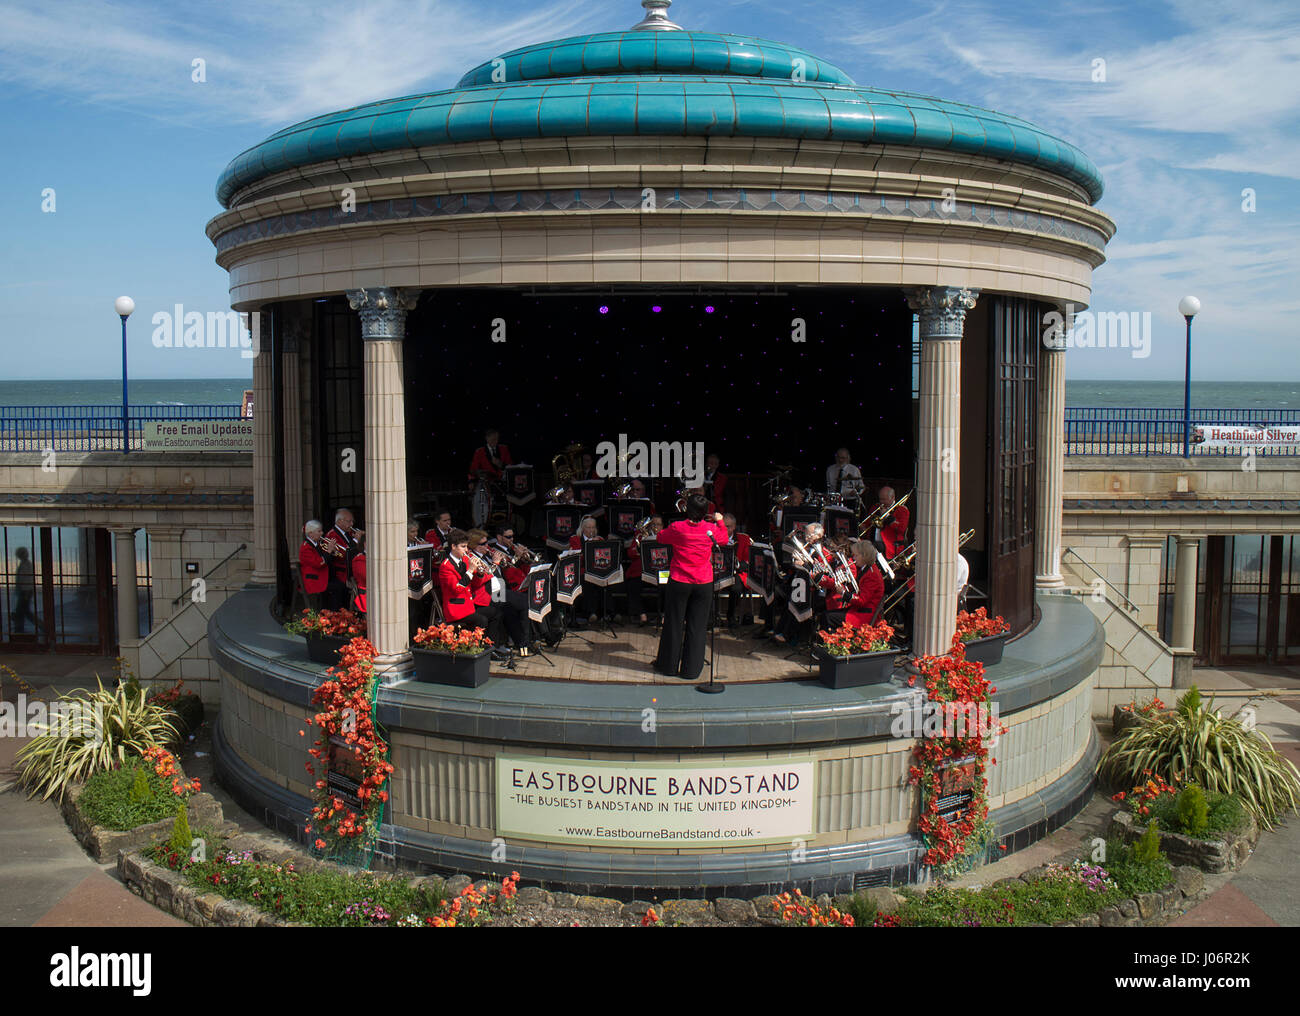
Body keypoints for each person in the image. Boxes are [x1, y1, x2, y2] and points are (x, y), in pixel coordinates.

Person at [653, 493, 728, 680]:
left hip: (680, 580)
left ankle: (668, 666)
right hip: (703, 582)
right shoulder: (710, 529)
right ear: (706, 513)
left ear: (687, 509)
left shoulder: (678, 527)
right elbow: (724, 539)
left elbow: (661, 537)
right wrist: (720, 521)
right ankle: (691, 670)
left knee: (674, 623)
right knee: (697, 626)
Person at [437, 529, 509, 660]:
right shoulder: (446, 566)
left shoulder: (464, 559)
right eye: (463, 547)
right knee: (482, 620)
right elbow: (457, 589)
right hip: (456, 609)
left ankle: (491, 647)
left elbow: (475, 584)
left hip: (468, 606)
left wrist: (480, 572)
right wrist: (470, 570)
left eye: (466, 546)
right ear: (453, 546)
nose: (466, 550)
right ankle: (477, 651)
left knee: (496, 612)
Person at [298, 521, 334, 610]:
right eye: (319, 531)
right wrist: (329, 551)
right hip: (314, 580)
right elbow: (318, 563)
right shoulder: (306, 548)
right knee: (337, 588)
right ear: (310, 534)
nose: (322, 533)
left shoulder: (316, 544)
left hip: (320, 575)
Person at [869, 486, 909, 558]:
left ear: (893, 497)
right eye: (880, 499)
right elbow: (869, 523)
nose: (882, 502)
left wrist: (887, 516)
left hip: (890, 547)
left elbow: (901, 529)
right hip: (873, 544)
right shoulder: (875, 507)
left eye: (884, 499)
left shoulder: (902, 510)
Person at [10, 546, 40, 634]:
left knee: (22, 611)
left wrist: (24, 591)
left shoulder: (25, 565)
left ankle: (19, 630)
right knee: (24, 612)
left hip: (25, 591)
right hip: (25, 591)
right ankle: (19, 630)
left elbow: (25, 579)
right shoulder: (26, 564)